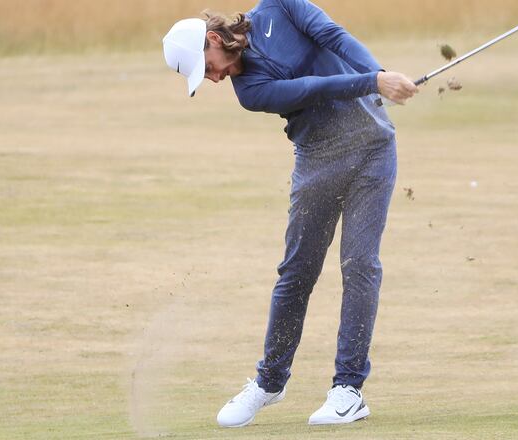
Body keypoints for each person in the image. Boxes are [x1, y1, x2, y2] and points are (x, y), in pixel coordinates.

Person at [162, 0, 418, 428]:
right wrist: (373, 80)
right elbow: (311, 89)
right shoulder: (250, 92)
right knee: (296, 274)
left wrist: (380, 76)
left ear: (213, 39)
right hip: (317, 159)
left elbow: (333, 36)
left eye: (206, 68)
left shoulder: (281, 6)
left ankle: (348, 390)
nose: (213, 78)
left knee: (359, 265)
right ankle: (270, 381)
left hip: (373, 149)